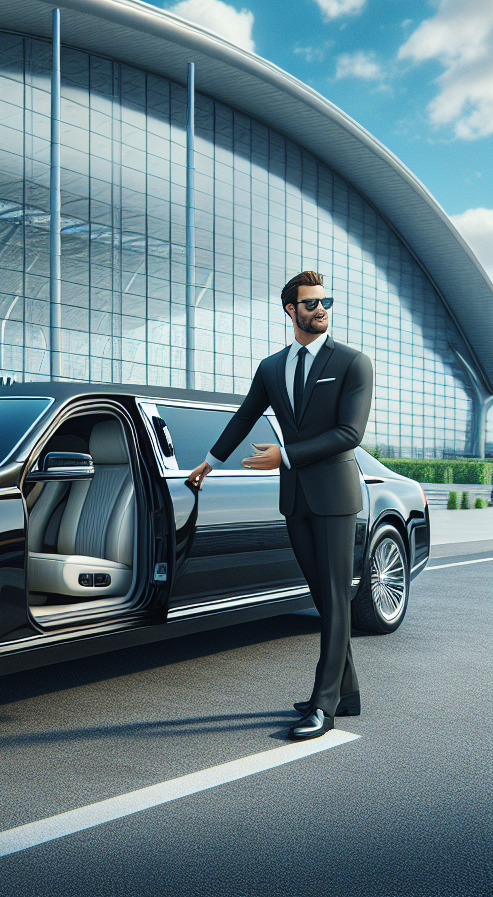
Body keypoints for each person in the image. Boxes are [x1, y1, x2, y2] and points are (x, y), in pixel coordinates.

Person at [186, 270, 373, 741]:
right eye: (310, 303)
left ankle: (324, 704)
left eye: (325, 301)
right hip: (295, 499)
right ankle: (346, 692)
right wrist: (209, 462)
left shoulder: (353, 362)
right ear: (291, 310)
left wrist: (283, 456)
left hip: (334, 497)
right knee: (324, 598)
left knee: (333, 598)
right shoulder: (272, 367)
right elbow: (245, 415)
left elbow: (350, 434)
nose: (321, 309)